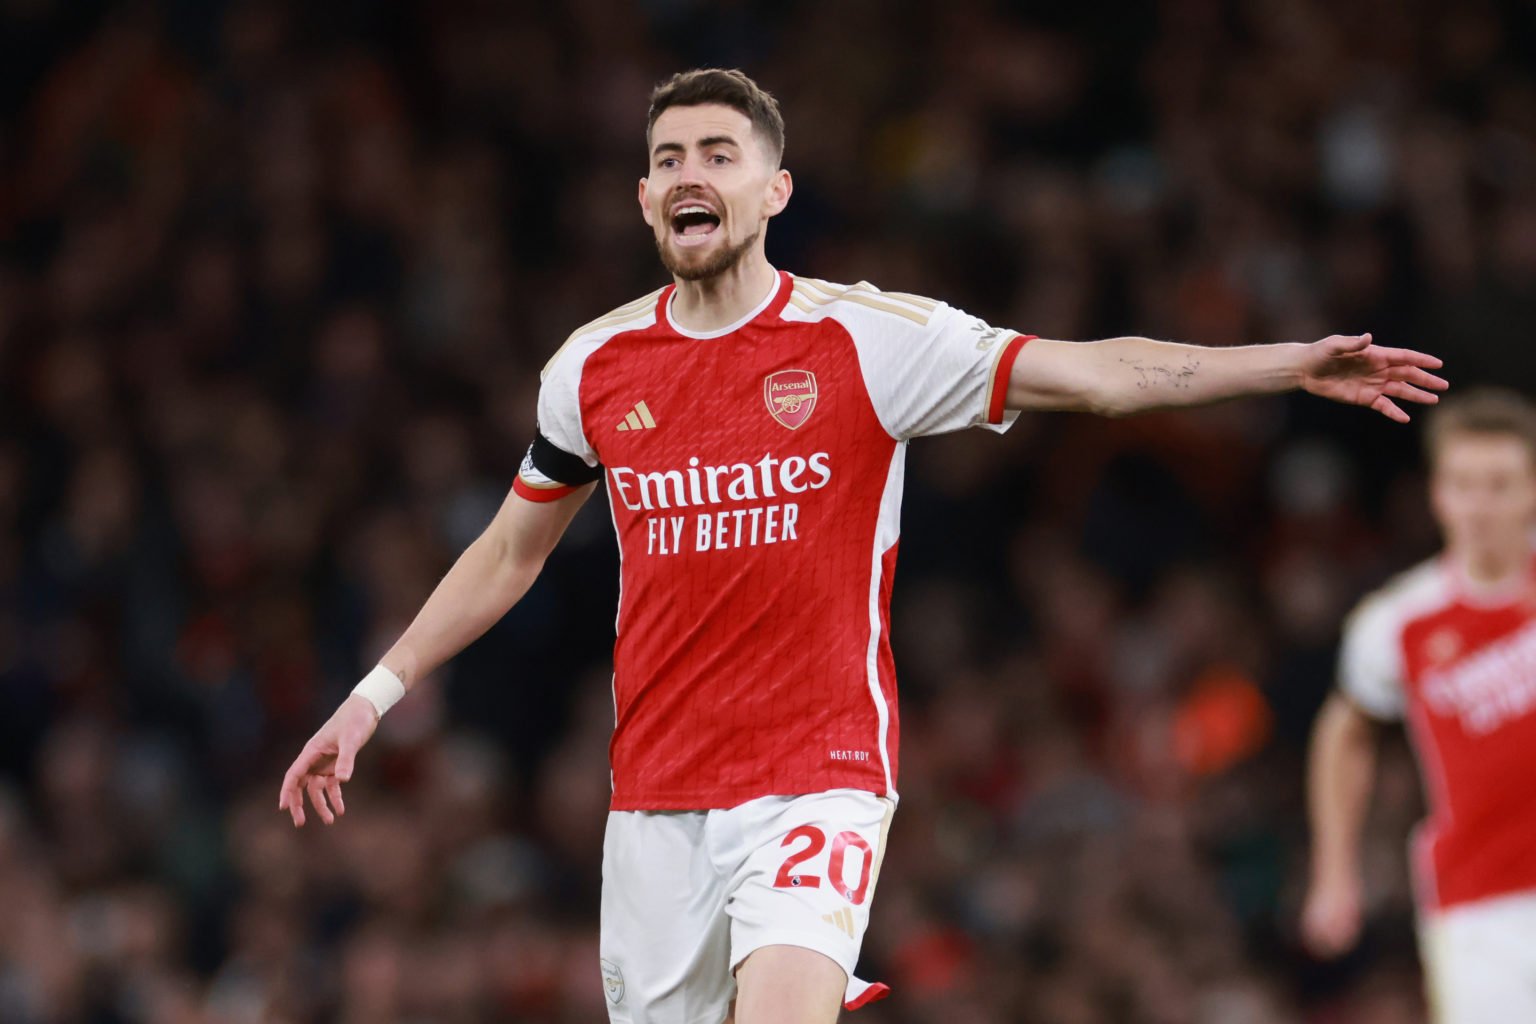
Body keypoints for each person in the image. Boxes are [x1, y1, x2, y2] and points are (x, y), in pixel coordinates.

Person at [279, 68, 1445, 1024]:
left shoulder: (866, 341)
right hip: (655, 799)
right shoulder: (591, 369)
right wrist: (373, 697)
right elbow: (507, 552)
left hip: (818, 775)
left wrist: (1285, 363)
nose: (693, 174)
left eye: (719, 154)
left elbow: (1091, 374)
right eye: (671, 158)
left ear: (775, 188)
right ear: (644, 199)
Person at [1301, 389, 1536, 1023]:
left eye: (1500, 484)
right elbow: (1344, 731)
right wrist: (1334, 871)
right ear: (1437, 493)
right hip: (1482, 905)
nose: (1480, 506)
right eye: (1463, 484)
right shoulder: (1398, 622)